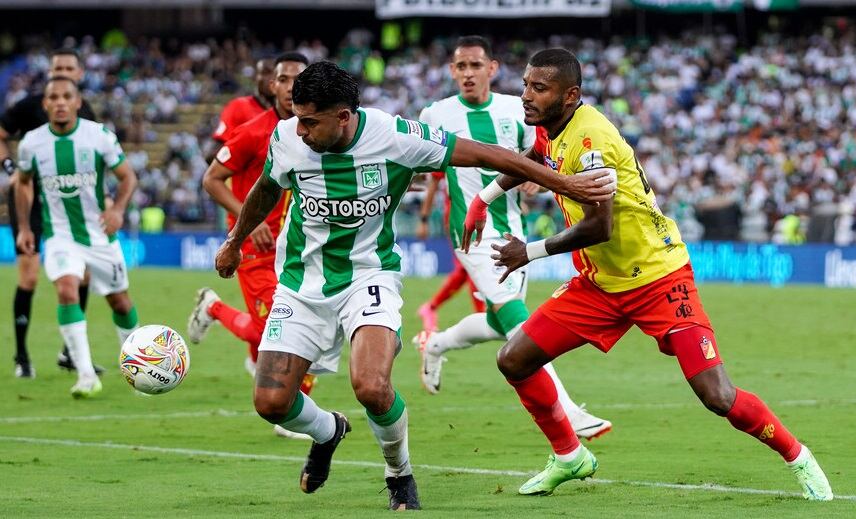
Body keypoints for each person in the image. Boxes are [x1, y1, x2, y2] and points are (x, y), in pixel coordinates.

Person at [214, 61, 615, 510]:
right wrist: (235, 241)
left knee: (371, 386)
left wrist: (565, 184)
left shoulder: (395, 136)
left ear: (343, 116)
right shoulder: (287, 137)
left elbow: (489, 155)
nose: (300, 130)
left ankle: (399, 473)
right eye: (297, 119)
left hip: (369, 275)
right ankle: (329, 431)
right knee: (270, 402)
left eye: (310, 122)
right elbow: (267, 187)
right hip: (299, 282)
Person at [463, 48, 833, 501]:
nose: (526, 95)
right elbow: (535, 153)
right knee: (514, 359)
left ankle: (798, 456)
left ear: (570, 95)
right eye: (526, 84)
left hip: (659, 279)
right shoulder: (552, 127)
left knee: (717, 395)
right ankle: (569, 456)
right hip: (600, 284)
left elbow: (600, 225)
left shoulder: (591, 141)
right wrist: (484, 198)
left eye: (539, 88)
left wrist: (530, 251)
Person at [413, 36, 611, 440]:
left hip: (512, 230)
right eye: (461, 66)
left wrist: (535, 180)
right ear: (452, 71)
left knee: (497, 320)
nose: (468, 73)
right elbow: (419, 166)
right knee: (515, 317)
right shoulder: (435, 114)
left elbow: (534, 154)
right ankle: (569, 411)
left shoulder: (514, 108)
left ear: (492, 68)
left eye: (475, 65)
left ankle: (435, 344)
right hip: (470, 232)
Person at [189, 52, 321, 439]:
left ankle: (215, 309)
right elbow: (211, 179)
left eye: (299, 79)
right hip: (255, 248)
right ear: (272, 85)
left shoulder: (319, 132)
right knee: (276, 332)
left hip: (299, 249)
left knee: (309, 328)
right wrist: (251, 222)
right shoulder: (252, 131)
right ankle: (214, 307)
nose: (290, 87)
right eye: (284, 79)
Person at [14, 76, 139, 398]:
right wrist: (25, 227)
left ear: (77, 102)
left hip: (99, 235)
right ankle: (85, 375)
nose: (60, 102)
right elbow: (22, 182)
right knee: (67, 290)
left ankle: (138, 369)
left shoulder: (99, 136)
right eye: (53, 97)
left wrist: (118, 210)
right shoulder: (31, 143)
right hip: (60, 236)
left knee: (120, 302)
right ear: (45, 104)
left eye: (66, 96)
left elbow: (127, 176)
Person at [0, 48, 102, 378]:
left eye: (69, 68)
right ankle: (21, 356)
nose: (63, 73)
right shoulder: (31, 105)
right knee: (29, 276)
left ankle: (70, 355)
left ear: (80, 74)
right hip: (30, 201)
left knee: (83, 275)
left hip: (69, 204)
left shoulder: (86, 111)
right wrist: (10, 167)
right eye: (58, 68)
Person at [415, 171, 485, 331]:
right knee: (471, 263)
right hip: (457, 217)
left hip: (480, 215)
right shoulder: (452, 156)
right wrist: (424, 220)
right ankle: (481, 314)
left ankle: (430, 307)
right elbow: (433, 185)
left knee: (466, 268)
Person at [204, 58, 276, 164]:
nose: (271, 78)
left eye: (276, 74)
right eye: (265, 73)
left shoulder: (289, 112)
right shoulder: (239, 107)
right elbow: (211, 155)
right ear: (255, 77)